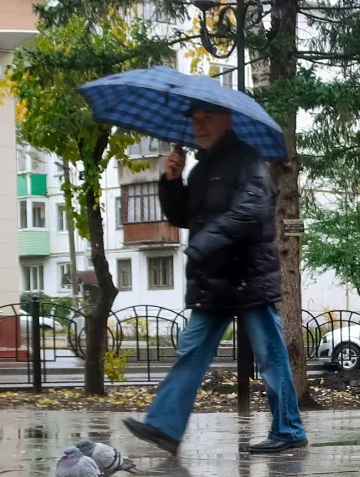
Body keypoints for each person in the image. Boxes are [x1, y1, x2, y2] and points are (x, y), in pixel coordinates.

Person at [123, 102, 305, 455]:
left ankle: (289, 429)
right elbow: (183, 215)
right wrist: (170, 180)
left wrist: (206, 242)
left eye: (206, 118)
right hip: (214, 279)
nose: (198, 126)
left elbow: (251, 210)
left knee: (270, 356)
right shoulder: (202, 168)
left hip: (247, 277)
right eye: (194, 120)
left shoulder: (246, 159)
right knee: (190, 353)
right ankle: (164, 427)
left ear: (227, 119)